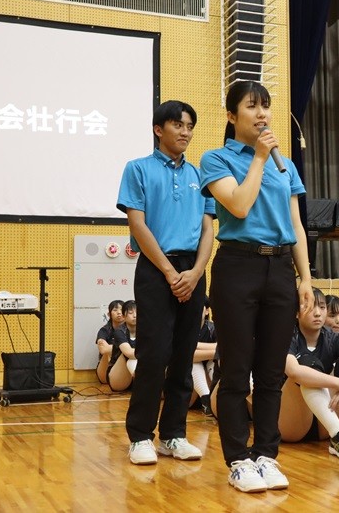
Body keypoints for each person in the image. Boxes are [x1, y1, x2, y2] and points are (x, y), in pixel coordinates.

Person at [200, 80, 314, 493]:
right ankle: (238, 460)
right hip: (237, 266)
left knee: (271, 370)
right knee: (235, 368)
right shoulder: (216, 159)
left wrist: (306, 278)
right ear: (232, 116)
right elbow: (239, 204)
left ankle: (267, 454)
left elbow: (296, 224)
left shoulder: (287, 166)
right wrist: (260, 158)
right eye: (252, 106)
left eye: (266, 105)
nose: (262, 113)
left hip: (280, 268)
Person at [117, 100, 215, 465]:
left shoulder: (200, 175)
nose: (186, 132)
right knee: (154, 353)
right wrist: (171, 273)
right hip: (156, 268)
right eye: (178, 125)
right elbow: (137, 224)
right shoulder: (138, 168)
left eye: (190, 126)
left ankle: (174, 435)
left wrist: (197, 271)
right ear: (159, 129)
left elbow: (208, 228)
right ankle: (141, 436)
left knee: (184, 355)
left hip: (193, 270)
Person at [279, 289, 339, 459]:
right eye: (309, 307)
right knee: (307, 364)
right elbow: (294, 371)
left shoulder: (334, 337)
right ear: (296, 312)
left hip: (325, 422)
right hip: (291, 423)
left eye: (322, 307)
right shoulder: (286, 335)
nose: (317, 313)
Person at [190, 296, 217, 417]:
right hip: (189, 386)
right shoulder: (182, 329)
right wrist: (215, 352)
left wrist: (193, 346)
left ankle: (209, 401)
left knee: (214, 361)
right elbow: (183, 355)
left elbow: (223, 347)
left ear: (207, 311)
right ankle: (206, 399)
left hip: (211, 375)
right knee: (192, 362)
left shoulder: (213, 328)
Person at [108, 300, 137, 392]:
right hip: (117, 374)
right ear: (124, 316)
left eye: (137, 312)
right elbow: (128, 353)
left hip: (136, 369)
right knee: (128, 356)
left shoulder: (146, 330)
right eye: (130, 313)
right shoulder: (119, 332)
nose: (135, 315)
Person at [96, 299, 125, 384]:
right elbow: (103, 350)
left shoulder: (132, 329)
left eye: (122, 310)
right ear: (109, 314)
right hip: (105, 367)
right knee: (108, 352)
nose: (119, 312)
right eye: (115, 310)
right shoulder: (104, 330)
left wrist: (111, 348)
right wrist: (125, 348)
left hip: (124, 366)